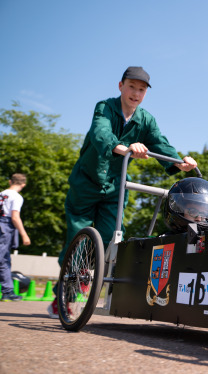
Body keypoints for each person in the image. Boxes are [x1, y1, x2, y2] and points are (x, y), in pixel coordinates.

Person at [47, 66, 198, 317]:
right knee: (77, 238)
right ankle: (64, 294)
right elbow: (100, 132)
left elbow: (159, 142)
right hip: (86, 182)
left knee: (109, 239)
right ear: (121, 86)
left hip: (116, 185)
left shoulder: (146, 119)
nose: (135, 93)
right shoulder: (105, 107)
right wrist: (122, 146)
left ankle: (86, 275)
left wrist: (180, 162)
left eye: (141, 90)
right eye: (131, 87)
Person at [0, 173, 31, 302]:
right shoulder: (17, 197)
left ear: (10, 182)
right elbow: (15, 217)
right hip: (5, 225)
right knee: (2, 258)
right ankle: (8, 291)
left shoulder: (2, 194)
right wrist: (24, 234)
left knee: (5, 259)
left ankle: (8, 291)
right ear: (23, 184)